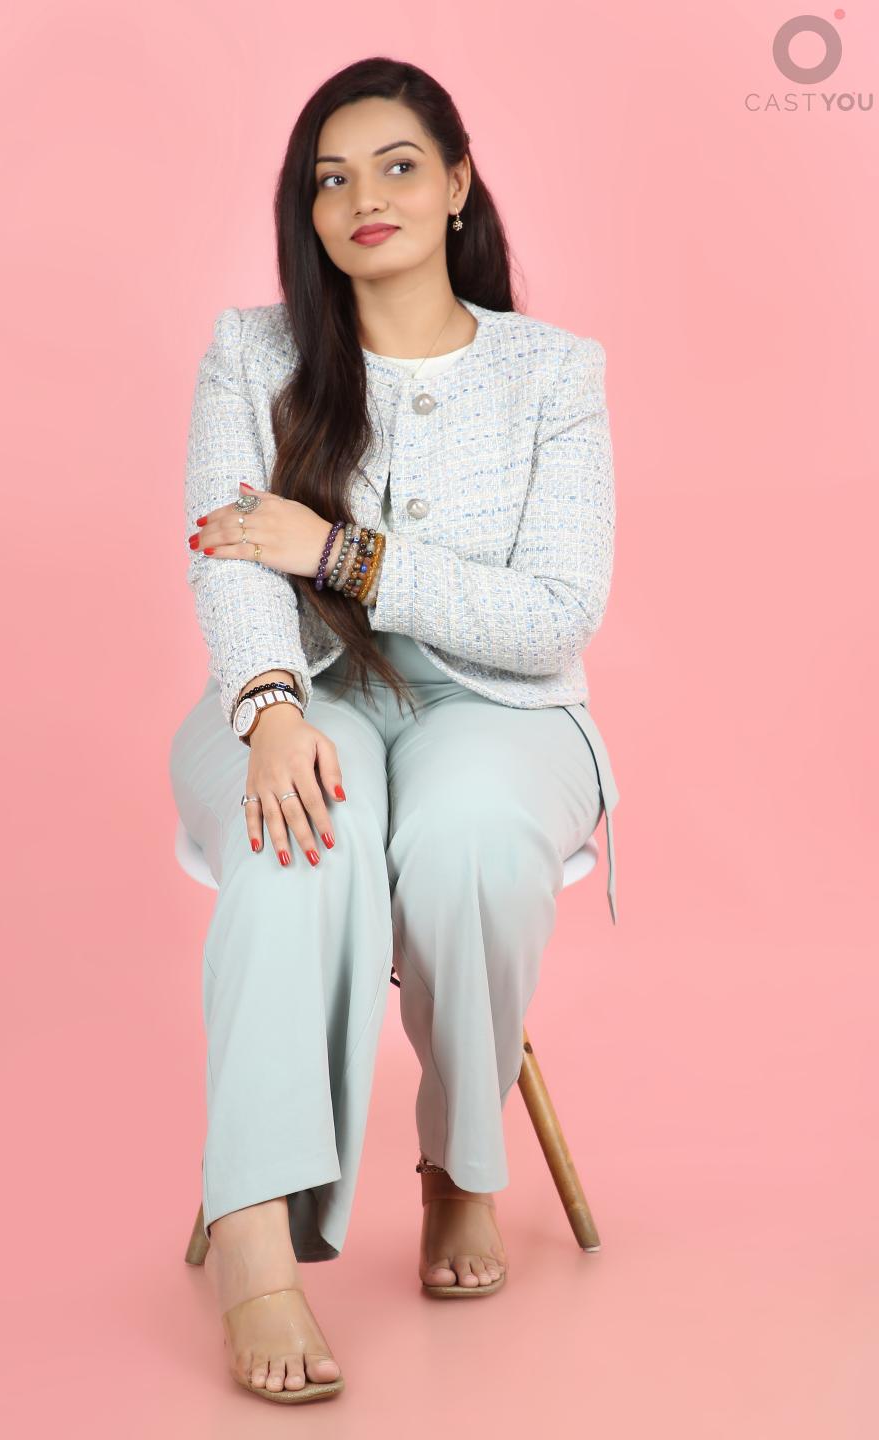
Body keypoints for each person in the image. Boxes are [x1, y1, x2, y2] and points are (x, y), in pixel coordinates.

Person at [169, 56, 621, 1405]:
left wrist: (340, 552)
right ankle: (254, 1234)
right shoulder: (252, 353)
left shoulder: (554, 373)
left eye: (399, 164)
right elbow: (231, 561)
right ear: (306, 211)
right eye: (331, 178)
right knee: (302, 826)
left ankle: (459, 1163)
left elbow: (553, 616)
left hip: (502, 706)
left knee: (473, 833)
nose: (364, 196)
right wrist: (267, 710)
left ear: (459, 183)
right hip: (292, 689)